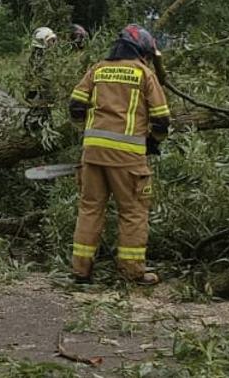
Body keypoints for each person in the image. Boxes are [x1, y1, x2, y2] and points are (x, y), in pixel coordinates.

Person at [66, 25, 170, 285]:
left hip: (92, 154)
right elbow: (161, 120)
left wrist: (90, 133)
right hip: (128, 158)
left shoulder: (97, 69)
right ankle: (132, 273)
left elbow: (76, 106)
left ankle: (80, 271)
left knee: (90, 209)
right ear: (142, 51)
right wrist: (151, 142)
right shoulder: (144, 74)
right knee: (133, 212)